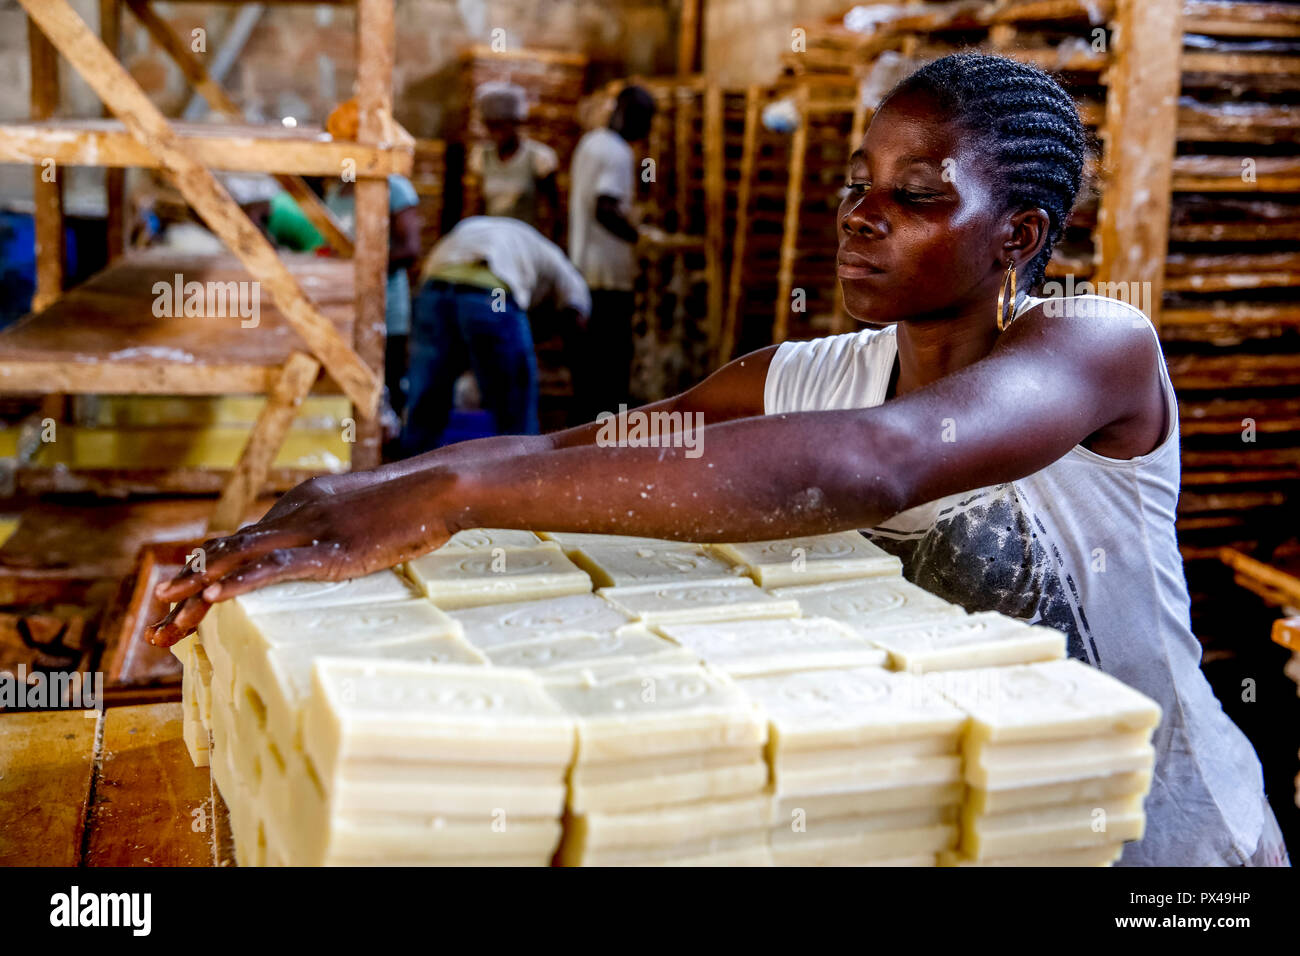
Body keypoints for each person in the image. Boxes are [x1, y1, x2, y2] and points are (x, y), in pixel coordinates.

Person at [149, 53, 1287, 868]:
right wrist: (381, 485)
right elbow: (578, 442)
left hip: (1167, 844)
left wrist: (453, 485)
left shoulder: (1094, 350)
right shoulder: (802, 375)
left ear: (1020, 236)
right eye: (855, 182)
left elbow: (880, 462)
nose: (862, 214)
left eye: (917, 194)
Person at [401, 216, 590, 453]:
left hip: (434, 290)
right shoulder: (562, 268)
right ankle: (524, 476)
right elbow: (577, 312)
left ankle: (409, 477)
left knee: (426, 401)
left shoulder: (487, 228)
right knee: (515, 406)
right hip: (491, 295)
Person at [323, 100, 424, 426]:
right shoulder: (338, 190)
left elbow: (410, 250)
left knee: (388, 388)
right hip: (343, 309)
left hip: (386, 311)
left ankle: (392, 463)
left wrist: (362, 266)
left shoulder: (394, 188)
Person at [566, 84, 656, 425]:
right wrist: (639, 237)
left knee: (588, 373)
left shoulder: (590, 142)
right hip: (607, 279)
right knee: (611, 369)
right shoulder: (617, 152)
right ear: (630, 116)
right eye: (645, 121)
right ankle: (610, 447)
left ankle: (581, 445)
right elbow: (605, 208)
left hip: (581, 272)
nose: (646, 131)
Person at [467, 82, 560, 235]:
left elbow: (553, 212)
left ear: (515, 123)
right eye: (491, 126)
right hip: (493, 241)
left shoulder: (538, 158)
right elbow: (478, 206)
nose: (496, 133)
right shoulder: (482, 157)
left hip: (525, 241)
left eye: (501, 126)